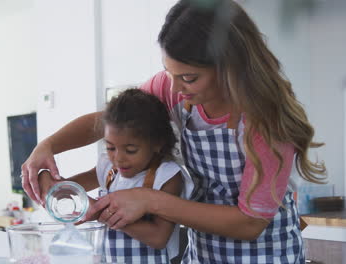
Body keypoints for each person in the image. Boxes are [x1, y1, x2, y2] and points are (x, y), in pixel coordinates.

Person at [21, 0, 326, 263]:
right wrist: (47, 146)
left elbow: (249, 224)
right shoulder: (175, 90)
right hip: (203, 251)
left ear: (229, 67)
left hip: (266, 254)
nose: (176, 88)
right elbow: (114, 120)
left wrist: (149, 199)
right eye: (170, 74)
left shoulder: (266, 121)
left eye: (189, 78)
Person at [37, 89, 185, 263]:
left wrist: (99, 211)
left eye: (131, 150)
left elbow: (159, 238)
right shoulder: (108, 169)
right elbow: (67, 188)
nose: (118, 158)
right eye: (110, 147)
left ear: (157, 144)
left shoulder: (167, 176)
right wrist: (46, 177)